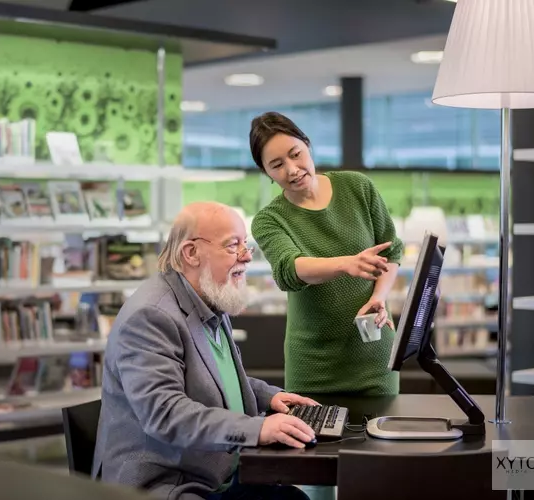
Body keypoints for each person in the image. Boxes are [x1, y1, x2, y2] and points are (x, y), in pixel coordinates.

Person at [92, 201, 318, 500]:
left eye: (245, 244)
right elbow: (165, 413)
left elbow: (207, 378)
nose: (246, 256)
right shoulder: (151, 316)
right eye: (232, 246)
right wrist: (257, 429)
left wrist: (268, 396)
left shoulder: (208, 295)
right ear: (191, 253)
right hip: (168, 483)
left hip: (213, 470)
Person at [249, 111, 404, 397]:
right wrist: (347, 264)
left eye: (296, 154)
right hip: (314, 366)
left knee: (380, 440)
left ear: (307, 145)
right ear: (266, 172)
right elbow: (288, 270)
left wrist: (378, 296)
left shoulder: (358, 187)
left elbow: (391, 249)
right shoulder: (269, 220)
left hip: (375, 355)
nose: (292, 169)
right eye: (277, 165)